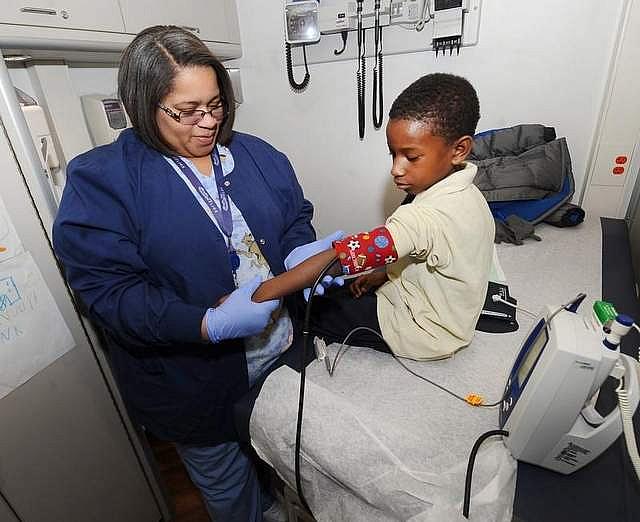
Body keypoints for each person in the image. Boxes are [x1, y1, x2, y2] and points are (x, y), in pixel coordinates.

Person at [52, 25, 341, 522]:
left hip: (280, 355)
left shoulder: (256, 155)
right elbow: (110, 292)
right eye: (186, 112)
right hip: (193, 386)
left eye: (215, 105)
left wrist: (298, 255)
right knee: (231, 492)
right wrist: (203, 324)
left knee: (288, 462)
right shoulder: (102, 180)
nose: (207, 122)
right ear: (143, 106)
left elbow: (293, 216)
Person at [251, 73, 495, 361]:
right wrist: (383, 273)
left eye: (411, 157)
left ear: (459, 149)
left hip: (419, 332)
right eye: (393, 154)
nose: (396, 168)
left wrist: (261, 293)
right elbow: (435, 253)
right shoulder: (470, 194)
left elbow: (341, 258)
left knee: (306, 305)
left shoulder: (423, 216)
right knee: (346, 291)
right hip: (451, 322)